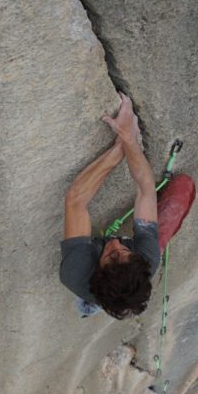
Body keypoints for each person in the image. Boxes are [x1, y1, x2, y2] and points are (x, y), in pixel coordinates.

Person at [60, 94, 161, 319]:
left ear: (97, 270)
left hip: (89, 285)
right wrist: (128, 139)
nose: (115, 242)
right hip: (111, 279)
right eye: (124, 251)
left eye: (111, 256)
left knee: (89, 302)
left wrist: (117, 153)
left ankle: (91, 306)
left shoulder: (75, 272)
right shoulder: (148, 259)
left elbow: (75, 199)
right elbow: (146, 190)